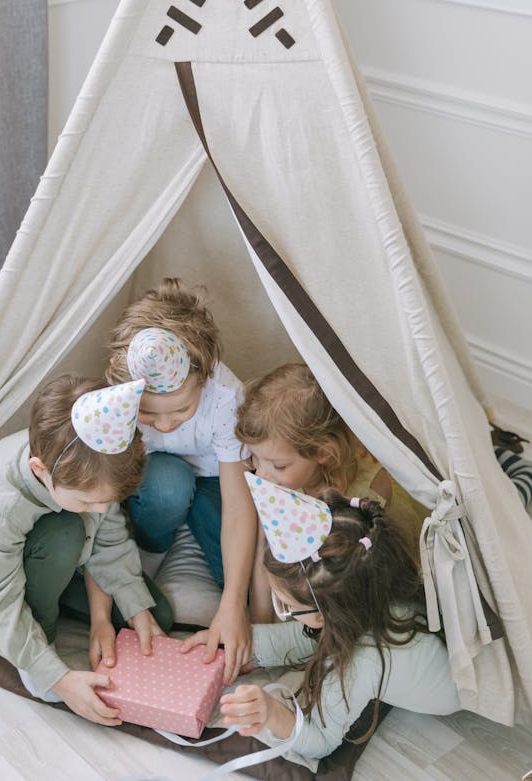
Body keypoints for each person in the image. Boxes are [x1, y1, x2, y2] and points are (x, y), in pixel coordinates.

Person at [0, 373, 173, 727]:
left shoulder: (94, 474)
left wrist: (110, 616)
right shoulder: (2, 506)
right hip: (5, 573)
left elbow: (108, 540)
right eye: (90, 501)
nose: (102, 510)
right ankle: (40, 640)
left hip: (68, 558)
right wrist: (58, 677)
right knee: (67, 531)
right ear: (40, 471)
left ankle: (73, 599)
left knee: (154, 617)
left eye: (107, 501)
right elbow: (0, 600)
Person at [192, 482, 460, 762]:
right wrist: (246, 644)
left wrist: (272, 713)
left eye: (286, 607)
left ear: (323, 614)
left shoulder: (362, 660)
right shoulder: (371, 584)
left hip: (453, 693)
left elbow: (319, 741)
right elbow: (308, 635)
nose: (284, 612)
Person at [104, 277, 257, 682]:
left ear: (204, 381)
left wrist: (231, 603)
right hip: (156, 482)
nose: (166, 424)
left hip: (212, 480)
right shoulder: (119, 400)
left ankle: (191, 534)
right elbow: (108, 490)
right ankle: (154, 549)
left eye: (181, 410)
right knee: (170, 484)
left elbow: (240, 507)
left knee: (241, 575)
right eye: (150, 415)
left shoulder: (225, 397)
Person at [235, 363, 428, 620]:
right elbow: (267, 553)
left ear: (323, 453)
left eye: (278, 466)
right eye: (254, 459)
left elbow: (362, 575)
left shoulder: (368, 490)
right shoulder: (277, 483)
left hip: (366, 573)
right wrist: (261, 619)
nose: (261, 474)